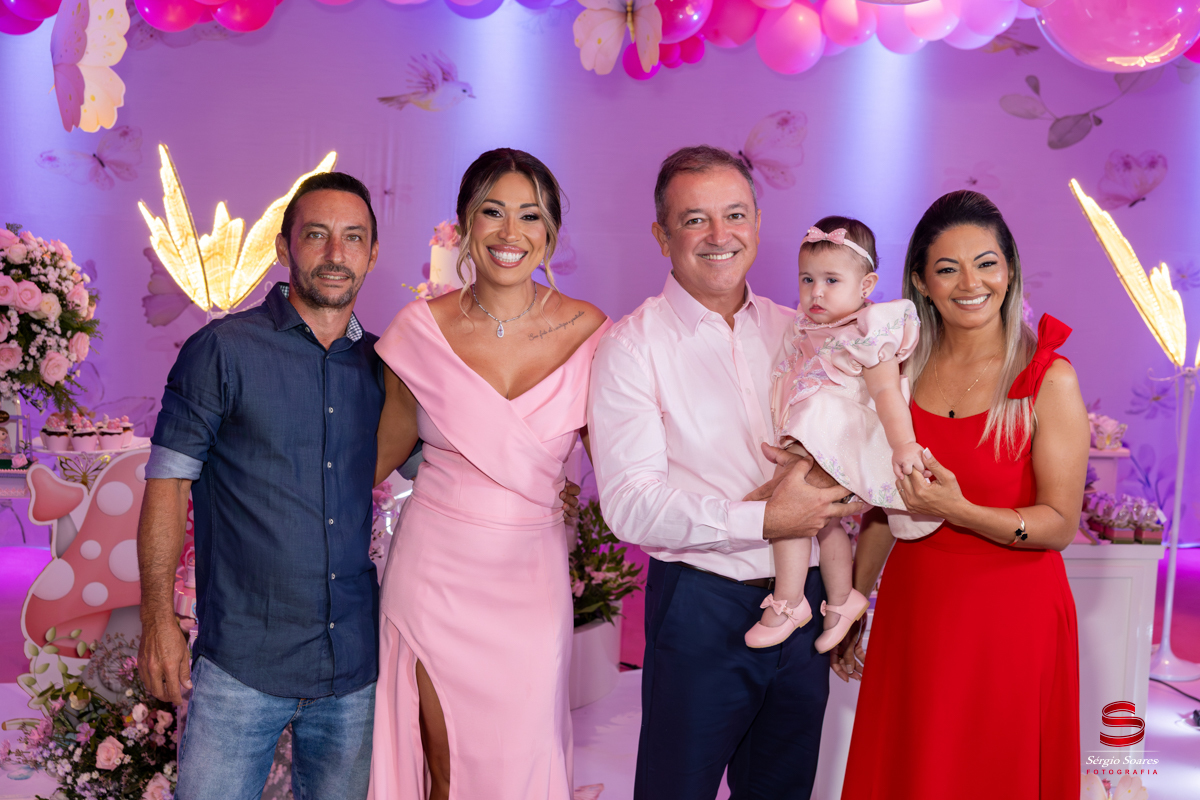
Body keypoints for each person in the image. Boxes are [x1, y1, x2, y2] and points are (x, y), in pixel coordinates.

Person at [587, 146, 868, 800]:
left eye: (735, 215)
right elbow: (629, 504)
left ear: (758, 224)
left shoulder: (801, 330)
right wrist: (767, 519)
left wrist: (848, 490)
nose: (720, 235)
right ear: (661, 235)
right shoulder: (632, 347)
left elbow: (856, 434)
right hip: (701, 605)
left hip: (806, 606)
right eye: (695, 220)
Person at [138, 172, 389, 799]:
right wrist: (158, 619)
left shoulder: (387, 367)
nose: (336, 253)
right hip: (242, 663)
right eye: (317, 235)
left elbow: (440, 475)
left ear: (372, 255)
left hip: (354, 665)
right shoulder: (222, 350)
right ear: (284, 248)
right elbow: (167, 485)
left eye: (353, 237)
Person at [368, 148, 609, 800]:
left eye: (529, 216)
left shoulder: (591, 332)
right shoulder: (419, 330)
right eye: (492, 212)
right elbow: (377, 454)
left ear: (551, 230)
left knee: (521, 759)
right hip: (434, 576)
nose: (510, 233)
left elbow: (623, 468)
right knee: (446, 767)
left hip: (531, 583)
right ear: (465, 223)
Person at [836, 190, 1088, 799]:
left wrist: (959, 511)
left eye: (987, 263)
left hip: (1012, 619)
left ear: (1010, 271)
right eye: (948, 268)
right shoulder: (899, 375)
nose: (971, 283)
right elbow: (884, 507)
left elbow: (1059, 524)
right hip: (916, 610)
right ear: (921, 283)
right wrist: (853, 604)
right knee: (912, 773)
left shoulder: (1047, 378)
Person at [746, 217, 941, 652]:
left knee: (789, 511)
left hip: (842, 436)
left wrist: (904, 443)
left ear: (866, 285)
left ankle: (789, 601)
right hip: (815, 438)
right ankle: (842, 598)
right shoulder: (808, 328)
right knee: (823, 520)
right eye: (807, 279)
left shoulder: (870, 331)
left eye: (831, 280)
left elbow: (887, 392)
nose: (816, 292)